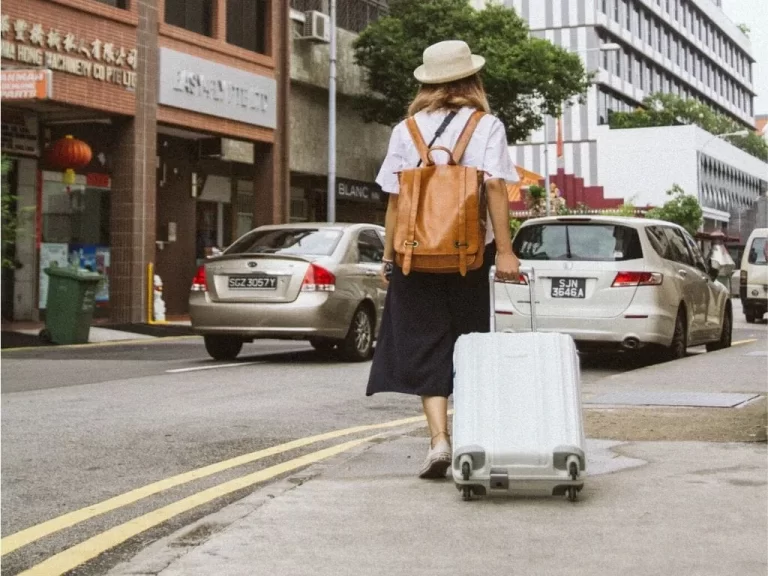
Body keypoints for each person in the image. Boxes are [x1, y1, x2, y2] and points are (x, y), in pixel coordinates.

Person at [366, 40, 521, 479]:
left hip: (414, 255)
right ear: (472, 80)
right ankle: (469, 435)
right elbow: (494, 188)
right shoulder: (486, 125)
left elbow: (395, 198)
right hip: (467, 256)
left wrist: (389, 257)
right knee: (467, 342)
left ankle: (438, 440)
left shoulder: (407, 129)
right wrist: (506, 251)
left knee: (424, 343)